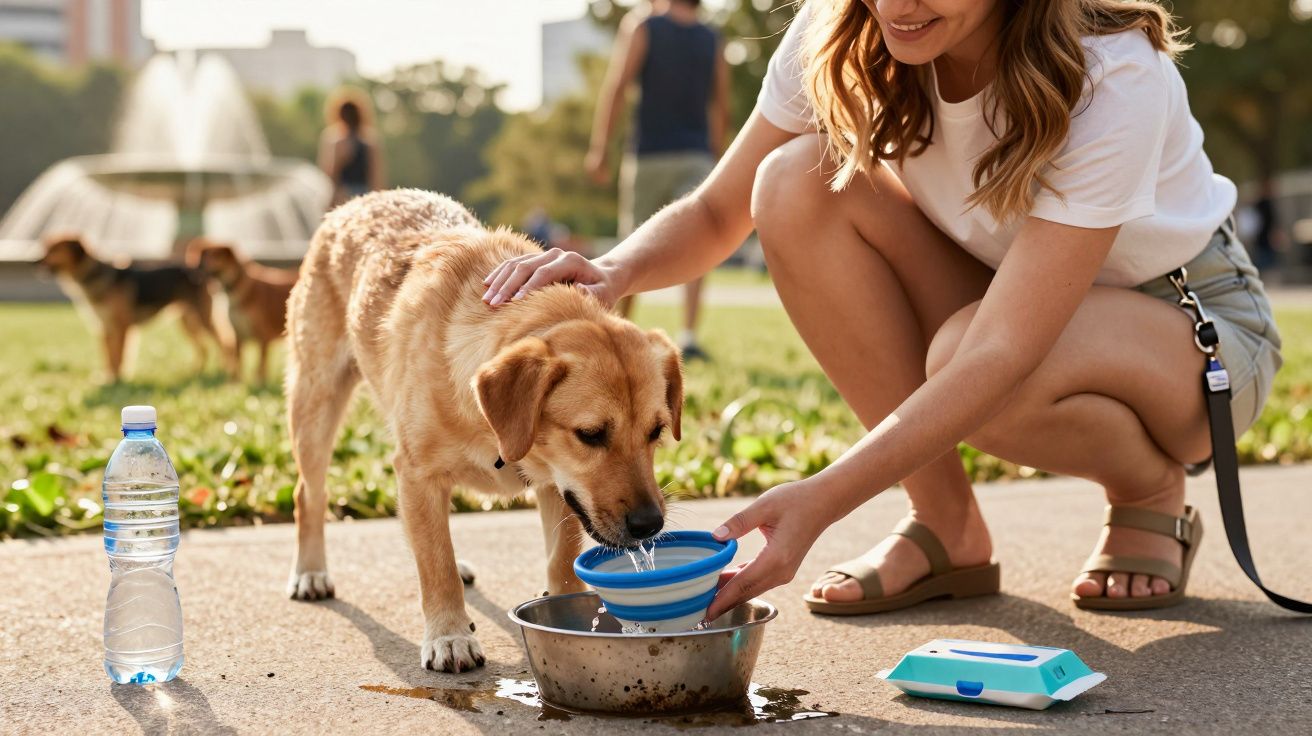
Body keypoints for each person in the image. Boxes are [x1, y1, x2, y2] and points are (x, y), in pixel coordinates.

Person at [482, 0, 1282, 618]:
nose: (897, 6)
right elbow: (719, 211)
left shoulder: (1111, 69)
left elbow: (1000, 350)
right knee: (793, 182)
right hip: (1007, 300)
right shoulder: (840, 32)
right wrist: (611, 272)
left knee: (968, 356)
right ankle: (946, 530)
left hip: (1193, 336)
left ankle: (1146, 492)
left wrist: (822, 499)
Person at [586, 0, 730, 360]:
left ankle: (612, 332)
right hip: (698, 154)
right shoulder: (713, 37)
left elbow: (617, 86)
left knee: (630, 243)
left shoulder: (643, 25)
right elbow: (720, 104)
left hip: (649, 154)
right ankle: (690, 336)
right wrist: (715, 155)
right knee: (699, 243)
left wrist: (600, 147)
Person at [319, 88, 384, 208]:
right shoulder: (368, 140)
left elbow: (328, 174)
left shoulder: (335, 139)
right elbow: (376, 177)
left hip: (348, 195)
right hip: (357, 195)